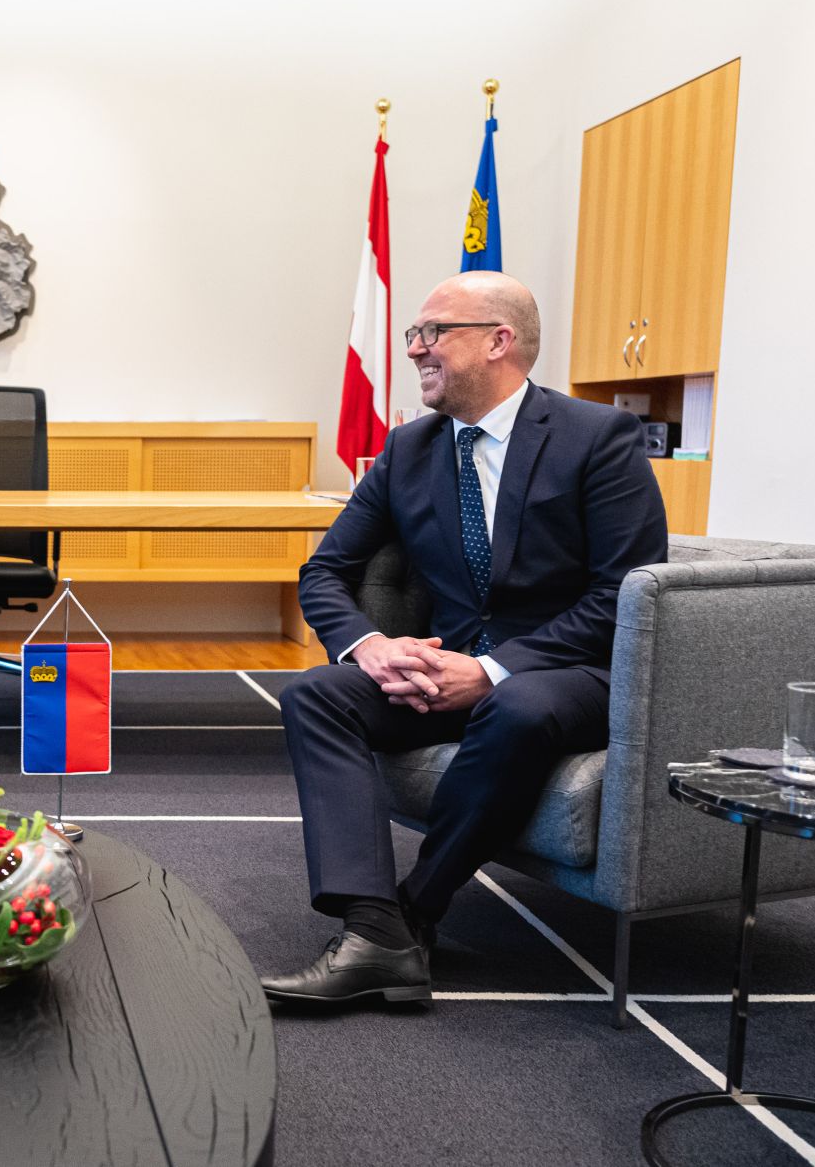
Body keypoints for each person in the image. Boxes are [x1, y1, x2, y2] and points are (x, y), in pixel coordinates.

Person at [260, 271, 668, 1007]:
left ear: (498, 341)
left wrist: (490, 670)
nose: (415, 348)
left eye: (432, 332)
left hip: (569, 670)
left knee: (518, 707)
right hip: (438, 665)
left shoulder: (597, 438)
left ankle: (417, 906)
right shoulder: (408, 451)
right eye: (414, 333)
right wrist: (370, 645)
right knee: (319, 695)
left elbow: (626, 592)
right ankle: (373, 922)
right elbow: (324, 570)